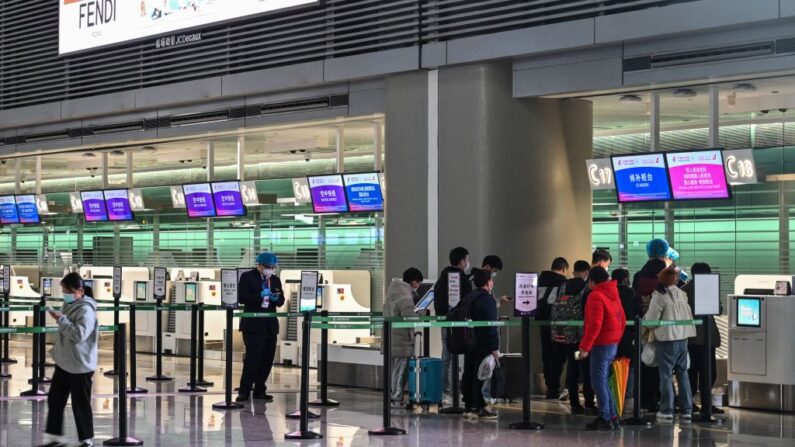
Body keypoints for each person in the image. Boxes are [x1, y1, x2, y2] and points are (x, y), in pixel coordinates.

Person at [39, 273, 99, 447]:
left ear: (80, 291)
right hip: (65, 362)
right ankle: (55, 438)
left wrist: (61, 319)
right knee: (55, 399)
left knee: (80, 403)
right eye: (64, 290)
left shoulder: (86, 310)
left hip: (80, 365)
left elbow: (79, 335)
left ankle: (86, 439)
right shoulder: (69, 304)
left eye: (67, 290)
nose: (65, 293)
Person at [644, 268, 697, 421]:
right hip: (683, 338)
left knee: (666, 375)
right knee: (683, 373)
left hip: (667, 339)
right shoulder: (681, 293)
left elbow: (652, 320)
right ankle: (687, 409)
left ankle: (667, 409)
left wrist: (645, 319)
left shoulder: (659, 296)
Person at [579, 267, 626, 431]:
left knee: (598, 381)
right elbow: (622, 319)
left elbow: (594, 325)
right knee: (604, 381)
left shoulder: (595, 296)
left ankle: (605, 417)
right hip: (612, 343)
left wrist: (585, 347)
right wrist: (617, 339)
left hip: (601, 344)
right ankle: (612, 416)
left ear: (591, 281)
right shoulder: (613, 293)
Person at [236, 252, 286, 402]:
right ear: (260, 265)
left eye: (273, 267)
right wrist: (260, 294)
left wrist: (276, 298)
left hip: (269, 325)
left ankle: (260, 389)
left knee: (267, 359)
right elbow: (242, 298)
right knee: (253, 359)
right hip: (253, 326)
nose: (270, 269)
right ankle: (244, 391)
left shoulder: (275, 280)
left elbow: (281, 300)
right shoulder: (248, 277)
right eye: (268, 267)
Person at [553, 260, 596, 413]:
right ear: (586, 272)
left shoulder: (563, 286)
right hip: (583, 335)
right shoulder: (588, 288)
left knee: (572, 366)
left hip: (566, 334)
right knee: (586, 368)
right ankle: (589, 402)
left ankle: (574, 403)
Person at [632, 238, 669, 413]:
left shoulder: (639, 275)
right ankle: (660, 399)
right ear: (665, 252)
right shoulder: (668, 274)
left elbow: (635, 298)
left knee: (646, 360)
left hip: (644, 324)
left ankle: (644, 399)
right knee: (663, 364)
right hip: (665, 324)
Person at [433, 247, 473, 403]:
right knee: (456, 356)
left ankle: (445, 391)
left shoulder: (442, 277)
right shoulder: (461, 278)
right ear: (462, 261)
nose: (468, 263)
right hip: (458, 322)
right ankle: (454, 391)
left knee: (446, 356)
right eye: (467, 259)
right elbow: (467, 300)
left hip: (445, 321)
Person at [683, 262, 724, 415]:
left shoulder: (684, 290)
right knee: (708, 371)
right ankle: (706, 404)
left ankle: (690, 402)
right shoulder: (708, 288)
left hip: (691, 337)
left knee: (692, 370)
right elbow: (717, 310)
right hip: (706, 336)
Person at [461, 269, 500, 420]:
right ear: (487, 282)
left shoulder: (469, 297)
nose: (492, 283)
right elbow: (491, 326)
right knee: (479, 375)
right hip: (482, 343)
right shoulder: (488, 300)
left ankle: (470, 405)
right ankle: (478, 407)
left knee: (469, 373)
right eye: (491, 280)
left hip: (468, 341)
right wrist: (494, 347)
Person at [384, 267, 423, 406]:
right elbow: (410, 318)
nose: (417, 287)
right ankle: (396, 398)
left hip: (391, 337)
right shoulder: (406, 297)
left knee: (394, 370)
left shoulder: (393, 292)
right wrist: (420, 315)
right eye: (418, 283)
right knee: (400, 371)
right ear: (413, 282)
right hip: (402, 339)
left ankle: (393, 396)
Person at [537, 257, 569, 399]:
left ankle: (549, 385)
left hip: (541, 322)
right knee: (558, 354)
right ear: (563, 269)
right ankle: (553, 386)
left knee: (547, 353)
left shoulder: (539, 280)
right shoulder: (563, 282)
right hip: (557, 323)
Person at [612, 268, 639, 414]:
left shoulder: (610, 292)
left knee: (611, 367)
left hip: (612, 336)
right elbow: (635, 312)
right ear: (625, 279)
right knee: (631, 368)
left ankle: (614, 398)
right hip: (628, 336)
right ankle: (628, 400)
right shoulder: (630, 293)